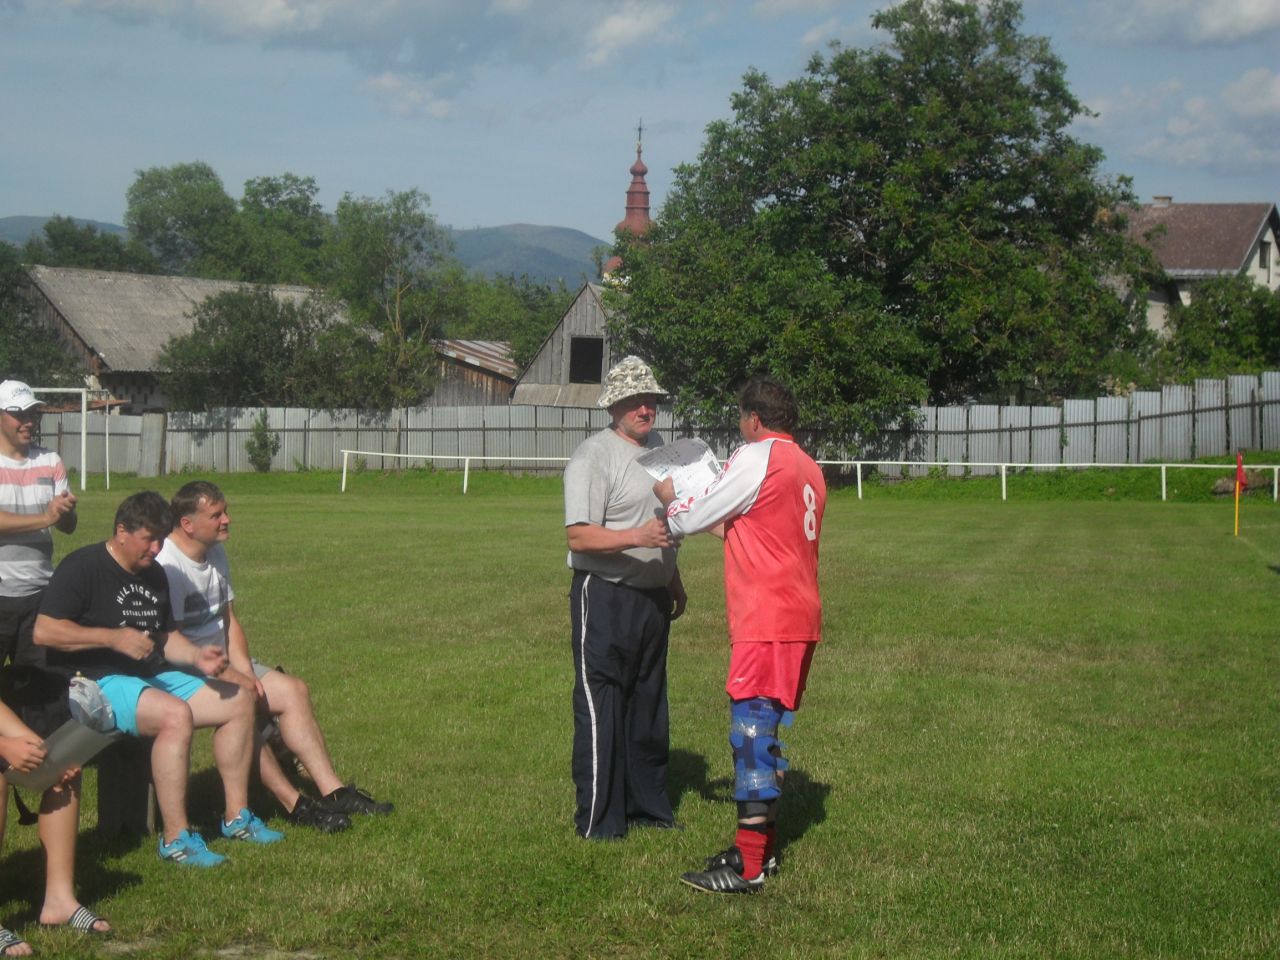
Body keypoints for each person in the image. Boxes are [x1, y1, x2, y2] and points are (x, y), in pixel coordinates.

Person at [34, 491, 283, 868]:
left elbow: (165, 637)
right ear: (122, 532)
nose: (156, 549)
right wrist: (111, 637)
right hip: (95, 680)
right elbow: (44, 631)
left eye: (160, 540)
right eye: (148, 539)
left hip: (148, 675)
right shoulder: (83, 566)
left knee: (238, 699)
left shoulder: (154, 573)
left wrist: (197, 656)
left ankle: (237, 817)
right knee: (175, 715)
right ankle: (176, 839)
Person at [656, 375, 826, 893]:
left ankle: (748, 867)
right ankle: (761, 852)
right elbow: (753, 527)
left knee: (749, 733)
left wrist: (671, 498)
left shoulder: (757, 456)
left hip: (767, 619)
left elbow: (690, 518)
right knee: (763, 730)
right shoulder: (808, 467)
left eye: (740, 418)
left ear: (753, 418)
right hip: (798, 616)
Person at [157, 480, 391, 830]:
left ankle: (334, 792)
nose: (227, 520)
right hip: (183, 671)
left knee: (293, 690)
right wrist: (232, 678)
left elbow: (229, 621)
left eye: (226, 512)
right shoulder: (167, 565)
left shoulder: (214, 552)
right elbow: (170, 643)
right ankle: (295, 805)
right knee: (241, 704)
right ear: (187, 524)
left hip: (221, 665)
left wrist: (244, 671)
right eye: (216, 515)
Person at [0, 379, 110, 937]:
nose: (30, 421)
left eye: (34, 413)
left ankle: (59, 900)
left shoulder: (50, 461)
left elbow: (65, 524)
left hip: (39, 600)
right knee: (5, 752)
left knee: (55, 740)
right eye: (19, 414)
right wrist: (43, 517)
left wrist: (62, 513)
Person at [563, 355, 686, 840]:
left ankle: (649, 808)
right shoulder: (593, 457)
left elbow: (666, 525)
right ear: (613, 406)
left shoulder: (660, 450)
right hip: (606, 595)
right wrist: (638, 537)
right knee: (603, 704)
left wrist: (671, 579)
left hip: (651, 600)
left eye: (650, 399)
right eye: (635, 400)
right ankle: (600, 820)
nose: (645, 408)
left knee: (648, 705)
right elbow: (578, 536)